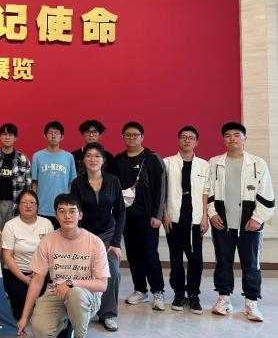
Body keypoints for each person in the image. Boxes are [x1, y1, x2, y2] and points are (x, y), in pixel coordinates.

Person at [17, 194, 109, 338]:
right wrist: (24, 317)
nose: (67, 216)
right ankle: (70, 324)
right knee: (40, 331)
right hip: (56, 293)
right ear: (56, 215)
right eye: (62, 211)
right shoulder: (48, 241)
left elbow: (102, 284)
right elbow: (37, 281)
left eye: (72, 211)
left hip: (87, 297)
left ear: (80, 215)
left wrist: (72, 283)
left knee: (76, 293)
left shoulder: (95, 242)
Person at [206, 122, 275, 321]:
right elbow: (208, 191)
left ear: (245, 138)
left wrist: (257, 218)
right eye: (228, 135)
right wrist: (212, 214)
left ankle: (251, 304)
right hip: (222, 222)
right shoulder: (214, 163)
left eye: (237, 135)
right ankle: (223, 299)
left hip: (249, 223)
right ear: (223, 139)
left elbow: (267, 195)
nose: (232, 139)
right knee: (223, 262)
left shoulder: (257, 164)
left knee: (251, 264)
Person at [70, 142, 125, 331]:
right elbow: (74, 212)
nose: (92, 159)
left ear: (103, 160)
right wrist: (77, 238)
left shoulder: (113, 181)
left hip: (108, 234)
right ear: (83, 160)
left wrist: (116, 242)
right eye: (89, 156)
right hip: (85, 234)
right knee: (81, 270)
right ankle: (81, 308)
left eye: (97, 156)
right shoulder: (77, 183)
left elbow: (120, 212)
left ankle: (108, 314)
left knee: (112, 270)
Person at [115, 121, 166, 311]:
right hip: (126, 216)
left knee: (149, 254)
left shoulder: (152, 158)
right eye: (127, 135)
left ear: (142, 137)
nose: (131, 138)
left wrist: (157, 215)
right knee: (133, 254)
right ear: (123, 137)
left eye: (135, 135)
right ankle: (140, 290)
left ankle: (158, 291)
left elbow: (161, 188)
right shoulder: (119, 160)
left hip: (147, 216)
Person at [162, 126, 209, 314]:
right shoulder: (167, 163)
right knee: (176, 258)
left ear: (197, 142)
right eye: (183, 137)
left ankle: (194, 294)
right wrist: (165, 214)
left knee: (196, 259)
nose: (187, 140)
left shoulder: (204, 165)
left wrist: (205, 217)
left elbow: (206, 192)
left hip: (196, 219)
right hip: (174, 218)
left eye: (191, 138)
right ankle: (179, 293)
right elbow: (162, 191)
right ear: (178, 140)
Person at [1, 189, 54, 319]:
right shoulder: (10, 225)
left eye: (32, 202)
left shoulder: (46, 224)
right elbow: (7, 256)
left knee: (43, 305)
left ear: (37, 205)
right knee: (20, 305)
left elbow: (51, 252)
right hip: (16, 272)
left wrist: (39, 273)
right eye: (24, 202)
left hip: (41, 272)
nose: (28, 205)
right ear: (18, 205)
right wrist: (24, 278)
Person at [0, 123, 32, 231]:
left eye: (10, 134)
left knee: (13, 236)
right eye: (4, 134)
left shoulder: (23, 159)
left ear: (15, 138)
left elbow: (28, 187)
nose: (7, 137)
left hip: (15, 205)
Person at [31, 121, 77, 227]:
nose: (53, 135)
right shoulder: (37, 156)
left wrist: (68, 203)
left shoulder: (69, 157)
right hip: (42, 208)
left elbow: (71, 183)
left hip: (63, 208)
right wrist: (35, 204)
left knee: (63, 236)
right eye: (50, 133)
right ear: (45, 136)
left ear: (62, 137)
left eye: (56, 133)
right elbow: (34, 183)